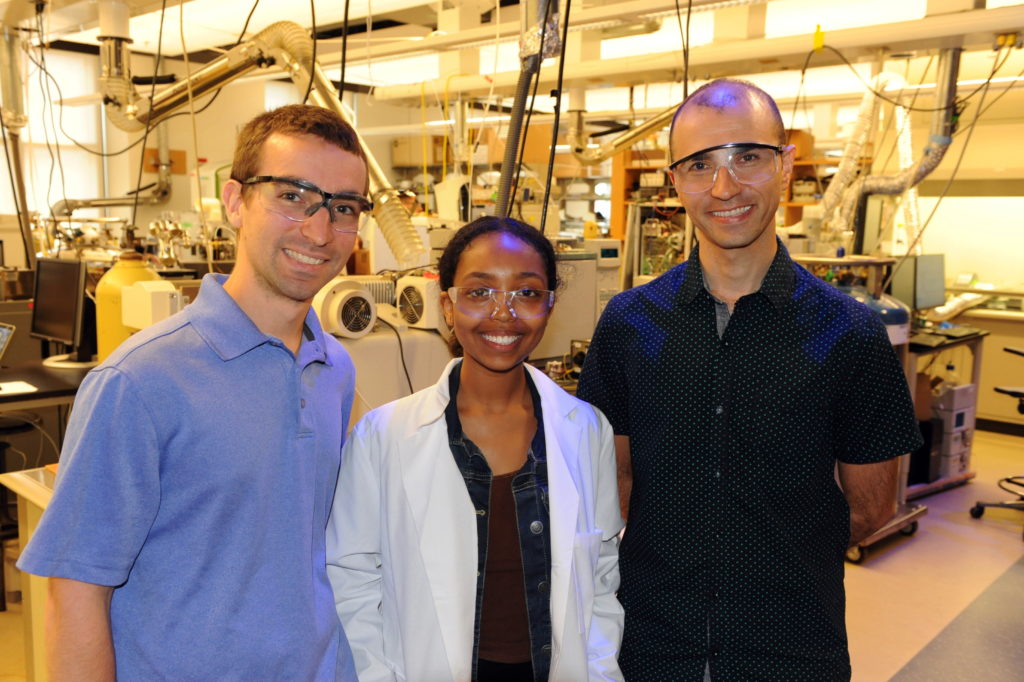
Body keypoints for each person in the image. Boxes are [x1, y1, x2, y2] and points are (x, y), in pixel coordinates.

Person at [577, 79, 923, 680]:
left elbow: (870, 510)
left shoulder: (852, 334)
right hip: (654, 646)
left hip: (793, 650)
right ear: (675, 181)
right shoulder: (628, 324)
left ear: (785, 165)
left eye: (748, 157)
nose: (724, 186)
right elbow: (615, 483)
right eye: (700, 165)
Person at [18, 104, 370, 680]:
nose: (319, 229)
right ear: (235, 202)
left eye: (343, 207)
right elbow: (77, 593)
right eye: (291, 196)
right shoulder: (139, 382)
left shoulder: (335, 368)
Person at [327, 216, 625, 681]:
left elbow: (602, 576)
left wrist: (602, 671)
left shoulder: (587, 430)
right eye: (479, 292)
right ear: (447, 305)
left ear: (549, 305)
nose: (503, 313)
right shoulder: (382, 437)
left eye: (526, 293)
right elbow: (352, 581)